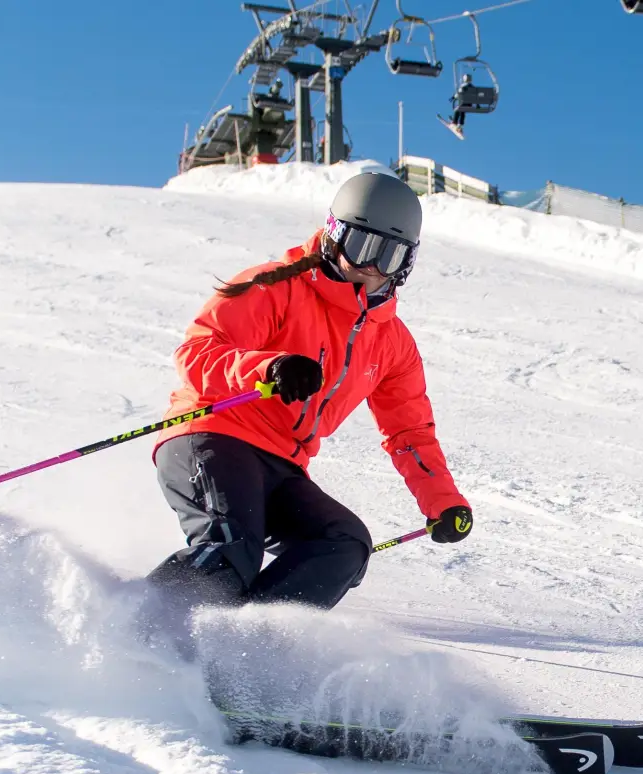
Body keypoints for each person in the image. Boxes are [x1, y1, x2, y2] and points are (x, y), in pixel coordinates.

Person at [140, 172, 473, 653]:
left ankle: (244, 659)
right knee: (234, 549)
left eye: (391, 255)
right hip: (212, 436)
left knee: (343, 544)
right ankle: (136, 639)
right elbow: (197, 353)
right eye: (361, 245)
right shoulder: (277, 287)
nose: (371, 266)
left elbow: (410, 432)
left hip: (282, 464)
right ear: (334, 233)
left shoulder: (392, 343)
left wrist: (442, 503)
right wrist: (268, 367)